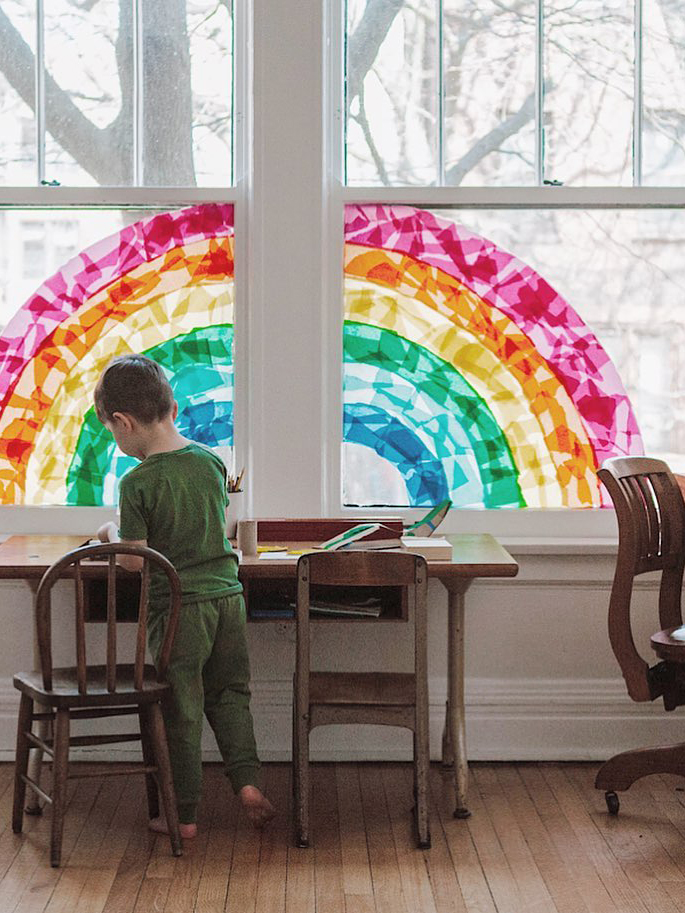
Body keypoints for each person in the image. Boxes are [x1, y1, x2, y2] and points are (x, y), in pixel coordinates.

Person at [93, 354, 274, 839]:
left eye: (114, 433)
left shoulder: (137, 482)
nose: (119, 443)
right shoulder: (211, 462)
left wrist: (110, 531)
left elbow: (133, 560)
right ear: (172, 407)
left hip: (178, 611)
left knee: (182, 707)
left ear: (123, 422)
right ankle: (248, 784)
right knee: (231, 695)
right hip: (229, 599)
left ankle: (184, 815)